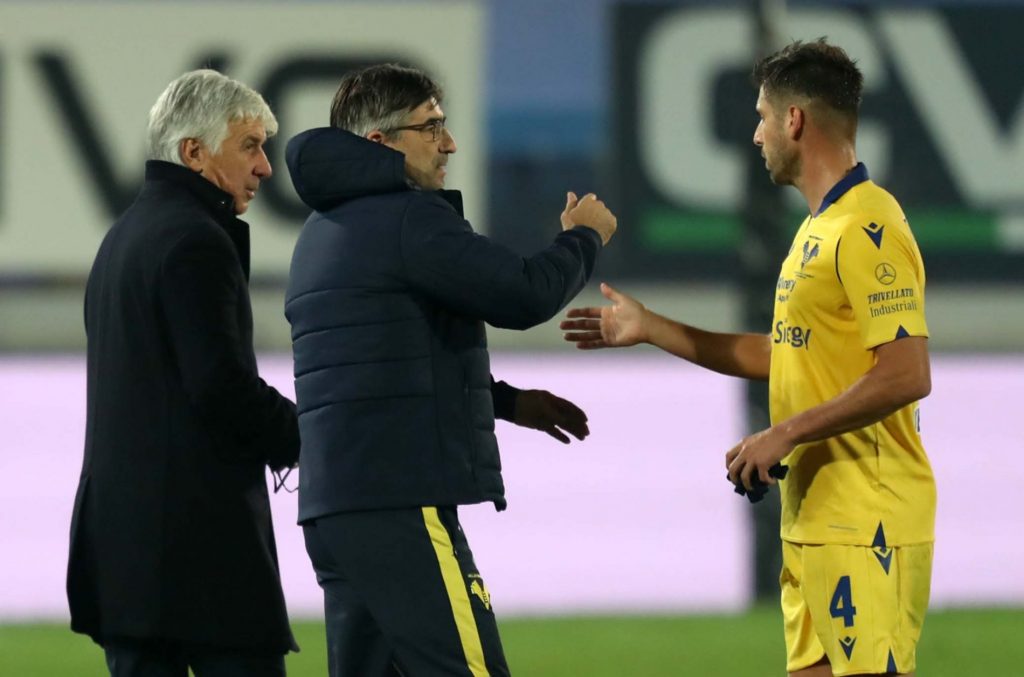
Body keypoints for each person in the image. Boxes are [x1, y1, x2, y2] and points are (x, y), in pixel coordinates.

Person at [562, 39, 934, 677]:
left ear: (795, 120)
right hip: (816, 518)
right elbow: (784, 355)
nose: (757, 135)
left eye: (763, 117)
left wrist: (783, 433)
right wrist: (653, 328)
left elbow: (907, 372)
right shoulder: (818, 227)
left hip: (867, 523)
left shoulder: (867, 226)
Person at [284, 63, 617, 676]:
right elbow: (523, 294)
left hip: (336, 509)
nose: (450, 143)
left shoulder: (321, 233)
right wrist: (583, 238)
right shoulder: (407, 218)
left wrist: (507, 403)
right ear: (380, 142)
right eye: (431, 126)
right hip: (400, 503)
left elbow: (381, 368)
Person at [67, 69, 300, 677]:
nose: (265, 167)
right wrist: (309, 434)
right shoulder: (196, 241)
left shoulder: (123, 238)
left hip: (123, 553)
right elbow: (221, 390)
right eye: (249, 146)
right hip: (201, 557)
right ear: (194, 152)